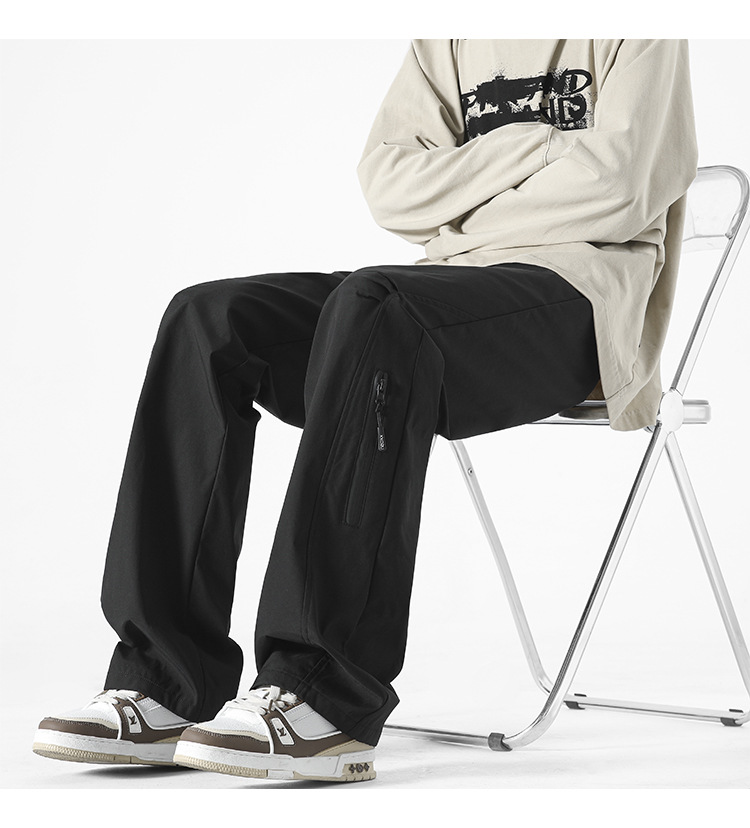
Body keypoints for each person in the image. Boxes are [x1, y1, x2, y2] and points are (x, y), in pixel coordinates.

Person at [32, 39, 698, 783]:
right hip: (445, 296)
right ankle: (164, 680)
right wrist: (546, 147)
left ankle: (324, 695)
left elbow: (621, 188)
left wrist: (461, 201)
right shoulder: (450, 36)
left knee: (375, 302)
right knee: (207, 319)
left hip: (578, 306)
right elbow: (389, 189)